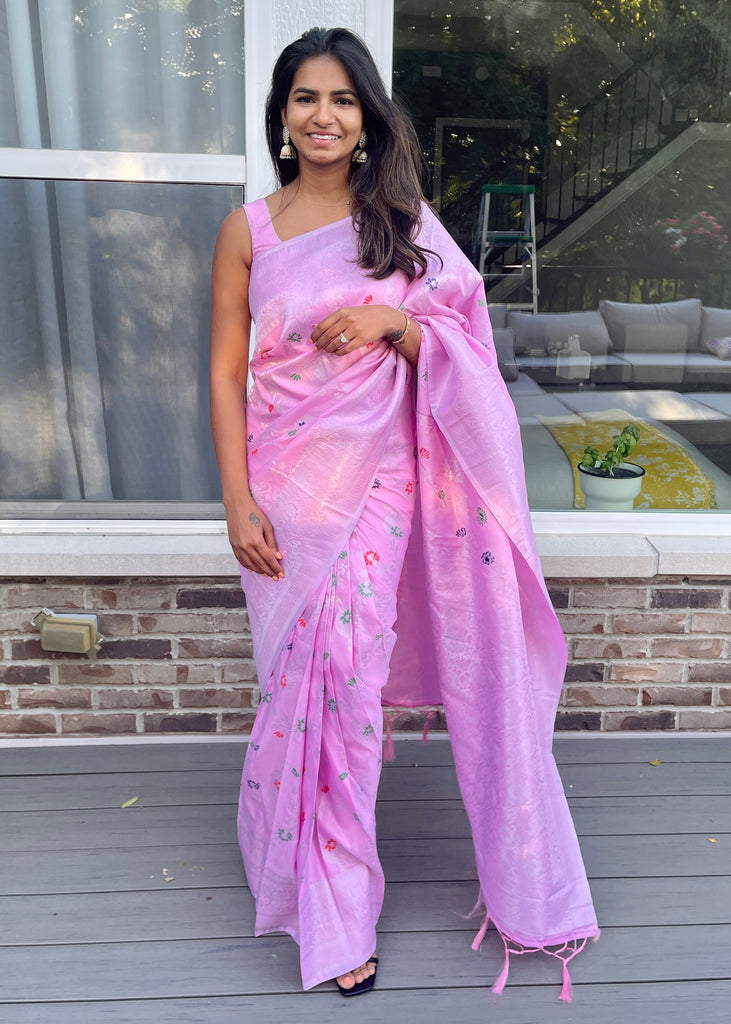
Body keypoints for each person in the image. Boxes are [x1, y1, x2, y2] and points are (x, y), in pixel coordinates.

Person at [209, 26, 599, 1000]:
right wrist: (236, 500)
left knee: (346, 684)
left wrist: (396, 322)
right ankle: (286, 858)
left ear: (368, 117)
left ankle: (337, 906)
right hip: (281, 492)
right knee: (292, 688)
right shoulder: (248, 231)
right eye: (305, 97)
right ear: (281, 114)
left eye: (342, 99)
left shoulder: (404, 224)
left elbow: (469, 357)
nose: (324, 116)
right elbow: (222, 372)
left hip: (377, 486)